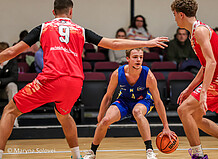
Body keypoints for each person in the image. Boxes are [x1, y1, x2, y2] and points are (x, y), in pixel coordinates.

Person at [0, 0, 169, 158]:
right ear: (71, 12)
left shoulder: (43, 28)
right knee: (64, 115)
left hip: (51, 80)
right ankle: (77, 154)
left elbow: (11, 52)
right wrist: (147, 42)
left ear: (53, 11)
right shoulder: (80, 30)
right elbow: (114, 44)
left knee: (10, 110)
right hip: (74, 83)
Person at [171, 0, 218, 159]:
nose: (174, 18)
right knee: (195, 118)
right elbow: (204, 66)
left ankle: (198, 155)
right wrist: (189, 89)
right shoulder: (193, 33)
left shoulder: (200, 31)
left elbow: (212, 62)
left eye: (174, 14)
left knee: (183, 110)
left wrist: (202, 92)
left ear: (181, 14)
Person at [83, 48, 175, 159]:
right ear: (128, 59)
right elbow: (108, 96)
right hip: (124, 100)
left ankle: (149, 150)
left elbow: (158, 101)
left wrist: (166, 126)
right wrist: (100, 117)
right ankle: (92, 152)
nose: (138, 60)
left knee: (137, 112)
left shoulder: (148, 76)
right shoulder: (118, 73)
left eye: (141, 57)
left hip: (143, 100)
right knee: (105, 121)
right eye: (135, 57)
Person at [0, 42, 19, 128]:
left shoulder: (12, 61)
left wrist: (1, 82)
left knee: (12, 86)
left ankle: (14, 122)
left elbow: (14, 77)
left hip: (5, 89)